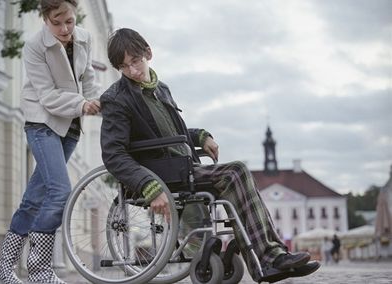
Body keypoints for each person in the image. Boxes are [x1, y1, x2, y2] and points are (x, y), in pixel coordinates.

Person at [100, 28, 320, 283]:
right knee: (235, 172)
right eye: (124, 67)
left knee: (236, 183)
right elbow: (113, 154)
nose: (133, 71)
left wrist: (202, 136)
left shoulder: (162, 90)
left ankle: (268, 260)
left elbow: (175, 133)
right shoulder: (116, 99)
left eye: (136, 61)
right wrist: (147, 185)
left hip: (180, 166)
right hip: (160, 174)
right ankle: (270, 258)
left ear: (148, 53)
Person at [0, 1, 101, 283]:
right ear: (44, 18)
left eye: (69, 20)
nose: (65, 28)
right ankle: (40, 270)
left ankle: (5, 271)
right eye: (57, 22)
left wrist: (98, 100)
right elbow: (47, 96)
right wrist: (82, 104)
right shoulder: (34, 46)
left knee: (32, 200)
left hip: (70, 128)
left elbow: (88, 77)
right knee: (60, 191)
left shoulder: (84, 37)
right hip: (42, 123)